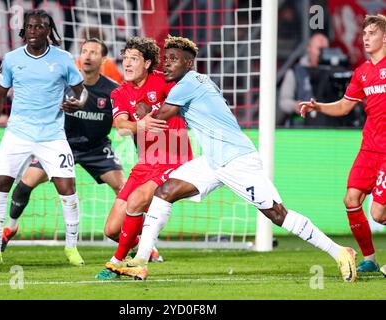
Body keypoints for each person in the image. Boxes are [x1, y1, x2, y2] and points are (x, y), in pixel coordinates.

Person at [105, 35, 357, 282]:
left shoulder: (188, 84)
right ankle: (140, 261)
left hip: (236, 160)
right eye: (166, 59)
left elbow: (160, 117)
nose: (167, 64)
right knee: (165, 191)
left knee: (277, 214)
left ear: (189, 64)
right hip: (212, 160)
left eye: (174, 59)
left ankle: (339, 251)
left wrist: (140, 116)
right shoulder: (197, 82)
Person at [0, 9, 88, 268]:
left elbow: (83, 93)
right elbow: (0, 95)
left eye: (40, 27)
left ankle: (71, 248)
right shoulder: (13, 59)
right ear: (23, 30)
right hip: (17, 134)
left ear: (49, 30)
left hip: (52, 135)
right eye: (29, 27)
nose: (34, 31)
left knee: (67, 189)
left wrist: (77, 104)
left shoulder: (63, 59)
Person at [0, 38, 126, 258]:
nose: (87, 56)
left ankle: (141, 241)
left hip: (96, 148)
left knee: (125, 190)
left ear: (104, 59)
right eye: (84, 51)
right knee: (24, 184)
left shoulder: (113, 90)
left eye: (94, 52)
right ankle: (10, 226)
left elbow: (126, 119)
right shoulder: (62, 84)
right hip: (60, 144)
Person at [95, 36, 193, 280]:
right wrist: (142, 124)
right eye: (125, 58)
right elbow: (120, 126)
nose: (127, 63)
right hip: (145, 163)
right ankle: (144, 246)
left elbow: (184, 101)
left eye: (134, 59)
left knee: (136, 201)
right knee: (111, 229)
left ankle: (116, 263)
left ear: (147, 63)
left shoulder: (163, 80)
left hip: (174, 156)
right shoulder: (119, 92)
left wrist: (155, 113)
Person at [298, 14, 386, 273]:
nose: (366, 38)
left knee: (379, 215)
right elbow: (346, 106)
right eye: (364, 34)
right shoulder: (362, 73)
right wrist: (319, 106)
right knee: (351, 199)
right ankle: (369, 258)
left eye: (372, 33)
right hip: (369, 150)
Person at [278, 33, 330, 127]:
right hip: (302, 125)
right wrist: (296, 105)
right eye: (319, 49)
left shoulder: (334, 72)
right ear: (309, 49)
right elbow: (284, 102)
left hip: (330, 125)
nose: (321, 53)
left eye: (325, 50)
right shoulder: (296, 71)